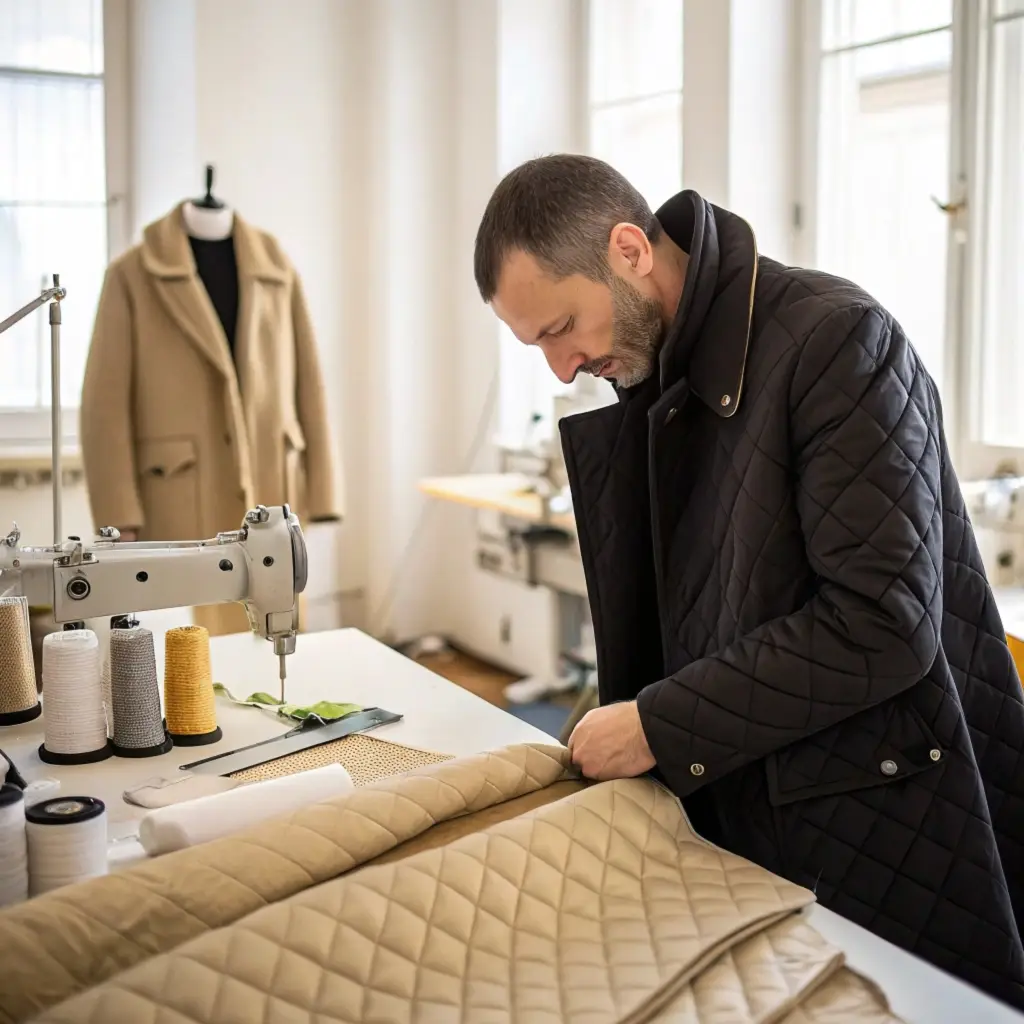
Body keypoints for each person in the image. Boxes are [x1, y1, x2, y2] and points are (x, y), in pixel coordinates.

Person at [473, 154, 1024, 1009]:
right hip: (747, 798)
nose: (561, 367)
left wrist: (659, 722)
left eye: (559, 329)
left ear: (628, 249)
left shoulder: (839, 341)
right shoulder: (663, 372)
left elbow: (880, 624)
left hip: (875, 813)